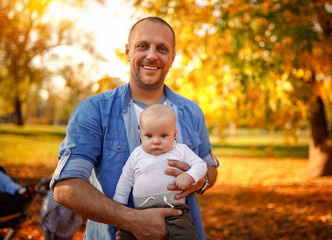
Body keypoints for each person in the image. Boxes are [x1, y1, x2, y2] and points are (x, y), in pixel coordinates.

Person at [50, 16, 219, 240]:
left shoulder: (192, 111)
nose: (151, 55)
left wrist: (199, 178)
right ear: (128, 52)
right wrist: (132, 220)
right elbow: (66, 187)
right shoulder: (93, 110)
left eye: (162, 48)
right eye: (142, 46)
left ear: (172, 58)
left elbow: (210, 169)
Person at [113, 104, 207, 240]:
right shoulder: (136, 154)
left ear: (174, 134)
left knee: (185, 234)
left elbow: (201, 164)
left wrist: (189, 176)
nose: (156, 141)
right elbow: (126, 179)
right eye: (149, 136)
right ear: (140, 134)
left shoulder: (181, 150)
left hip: (176, 211)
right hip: (140, 213)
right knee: (124, 235)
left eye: (163, 135)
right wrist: (119, 204)